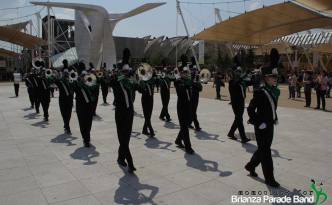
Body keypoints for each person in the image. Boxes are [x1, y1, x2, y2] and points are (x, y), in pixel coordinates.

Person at [245, 49, 281, 188]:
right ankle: (269, 178)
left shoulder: (273, 91)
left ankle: (250, 165)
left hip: (270, 124)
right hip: (261, 127)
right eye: (273, 77)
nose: (275, 79)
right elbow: (250, 109)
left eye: (276, 77)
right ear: (266, 78)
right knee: (266, 152)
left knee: (263, 149)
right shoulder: (260, 92)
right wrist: (258, 122)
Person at [73, 63, 99, 147]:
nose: (84, 77)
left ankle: (87, 136)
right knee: (82, 123)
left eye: (85, 76)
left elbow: (96, 87)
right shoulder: (77, 84)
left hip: (89, 106)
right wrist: (75, 80)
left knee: (89, 123)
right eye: (82, 76)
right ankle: (86, 139)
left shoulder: (90, 83)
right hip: (80, 107)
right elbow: (72, 88)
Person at [174, 66, 195, 154]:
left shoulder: (187, 81)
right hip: (181, 108)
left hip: (188, 107)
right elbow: (181, 89)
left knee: (185, 125)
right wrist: (190, 80)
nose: (186, 74)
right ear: (181, 73)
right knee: (185, 128)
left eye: (187, 72)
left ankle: (178, 140)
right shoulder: (178, 82)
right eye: (184, 72)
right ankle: (188, 147)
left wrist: (194, 78)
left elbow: (197, 87)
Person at [227, 66, 250, 143]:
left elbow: (249, 82)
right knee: (239, 119)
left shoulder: (241, 81)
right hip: (235, 103)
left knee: (238, 119)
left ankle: (231, 133)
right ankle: (243, 138)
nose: (238, 73)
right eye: (237, 72)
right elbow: (235, 84)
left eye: (240, 72)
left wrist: (256, 77)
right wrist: (244, 75)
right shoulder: (232, 82)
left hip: (241, 102)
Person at [55, 59, 74, 134]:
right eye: (65, 74)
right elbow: (54, 81)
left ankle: (66, 124)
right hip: (62, 99)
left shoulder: (71, 81)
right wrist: (57, 76)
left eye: (67, 74)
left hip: (69, 99)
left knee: (69, 113)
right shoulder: (60, 82)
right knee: (64, 113)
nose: (66, 75)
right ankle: (67, 125)